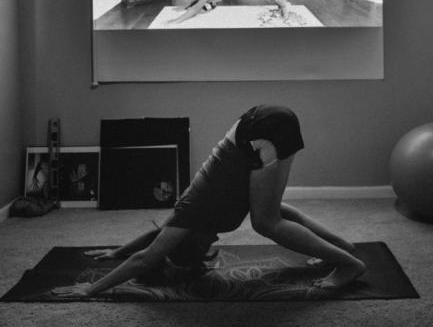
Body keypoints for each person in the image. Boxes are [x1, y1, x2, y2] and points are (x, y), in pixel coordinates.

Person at [52, 104, 366, 298]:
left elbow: (146, 258)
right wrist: (117, 251)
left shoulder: (191, 214)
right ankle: (342, 246)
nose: (207, 249)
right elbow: (154, 237)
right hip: (265, 122)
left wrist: (90, 289)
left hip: (258, 135)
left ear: (186, 243)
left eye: (196, 253)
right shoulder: (194, 218)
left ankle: (347, 263)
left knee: (265, 223)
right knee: (272, 210)